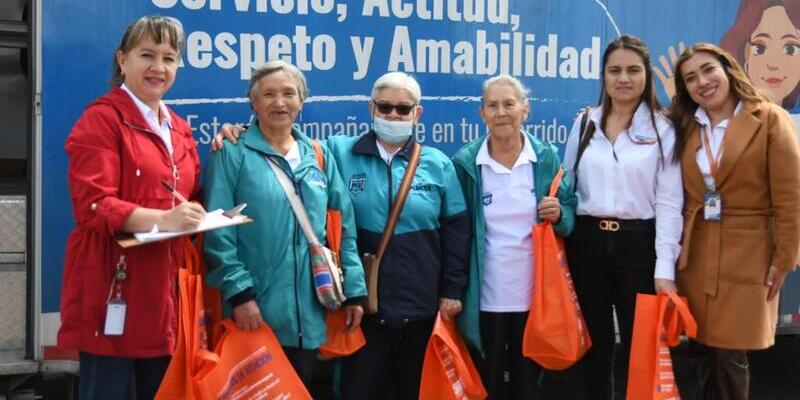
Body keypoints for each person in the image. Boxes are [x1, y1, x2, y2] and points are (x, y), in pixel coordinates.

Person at [59, 16, 205, 400]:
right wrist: (166, 219)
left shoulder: (178, 127)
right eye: (147, 55)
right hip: (113, 287)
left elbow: (191, 193)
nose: (159, 67)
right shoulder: (101, 119)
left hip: (164, 294)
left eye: (169, 58)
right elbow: (94, 205)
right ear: (122, 59)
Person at [202, 60, 366, 390]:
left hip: (311, 312)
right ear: (254, 103)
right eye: (269, 94)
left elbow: (343, 225)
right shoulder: (232, 153)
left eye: (289, 93)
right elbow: (219, 230)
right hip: (255, 311)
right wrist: (240, 295)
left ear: (301, 101)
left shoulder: (317, 155)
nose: (280, 102)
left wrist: (355, 291)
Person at [326, 71, 469, 400]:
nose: (393, 115)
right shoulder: (338, 152)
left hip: (422, 310)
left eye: (403, 109)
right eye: (385, 107)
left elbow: (457, 233)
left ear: (417, 113)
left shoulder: (438, 164)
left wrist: (452, 290)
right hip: (363, 310)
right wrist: (240, 132)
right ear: (370, 108)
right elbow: (287, 145)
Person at [670, 43, 800, 400]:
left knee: (730, 352)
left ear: (728, 69)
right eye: (690, 78)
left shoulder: (770, 118)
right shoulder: (685, 125)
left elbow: (790, 197)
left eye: (709, 70)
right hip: (695, 252)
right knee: (698, 350)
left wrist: (784, 258)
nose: (703, 82)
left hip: (749, 253)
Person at [562, 35, 684, 400]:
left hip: (639, 245)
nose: (623, 78)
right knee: (595, 345)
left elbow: (669, 203)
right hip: (587, 244)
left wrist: (665, 270)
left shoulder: (664, 129)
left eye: (633, 70)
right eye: (614, 70)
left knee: (640, 346)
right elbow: (567, 185)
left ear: (646, 74)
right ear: (604, 76)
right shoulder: (585, 123)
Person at [452, 75, 576, 400]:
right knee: (486, 383)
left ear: (525, 109)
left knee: (528, 386)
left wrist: (560, 214)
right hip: (485, 297)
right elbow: (455, 229)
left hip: (534, 297)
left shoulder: (546, 158)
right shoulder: (466, 164)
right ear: (482, 114)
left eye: (509, 103)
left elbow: (571, 211)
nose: (501, 112)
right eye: (492, 105)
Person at [720, 0, 800, 128]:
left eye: (790, 49)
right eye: (760, 48)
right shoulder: (724, 127)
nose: (773, 64)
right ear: (746, 54)